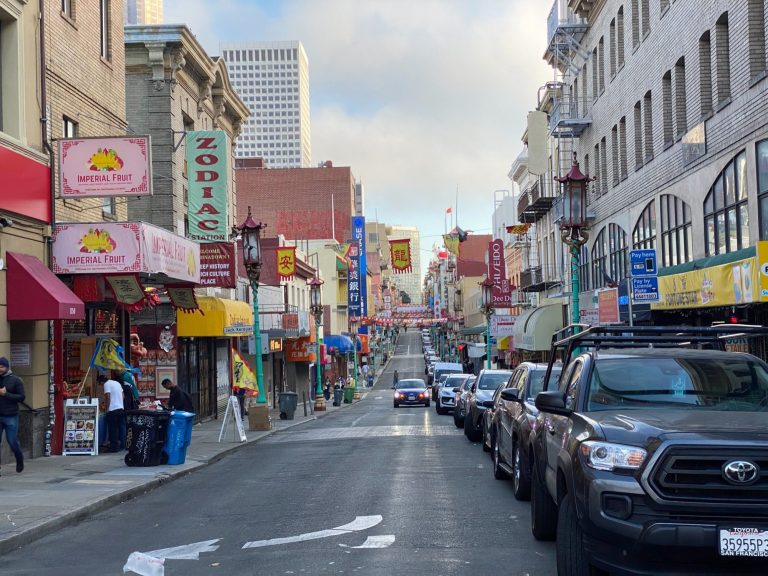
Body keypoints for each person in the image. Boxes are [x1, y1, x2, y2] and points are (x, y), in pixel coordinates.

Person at [0, 357, 25, 473]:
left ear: (7, 367)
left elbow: (21, 397)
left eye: (2, 367)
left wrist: (6, 394)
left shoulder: (16, 380)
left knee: (12, 441)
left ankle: (19, 459)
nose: (0, 369)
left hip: (10, 415)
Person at [99, 373, 125, 453]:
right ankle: (123, 445)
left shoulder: (106, 384)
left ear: (101, 382)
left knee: (113, 429)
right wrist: (119, 403)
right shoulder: (117, 383)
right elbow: (123, 395)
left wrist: (107, 409)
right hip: (120, 408)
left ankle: (114, 447)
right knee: (121, 428)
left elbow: (108, 396)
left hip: (112, 409)